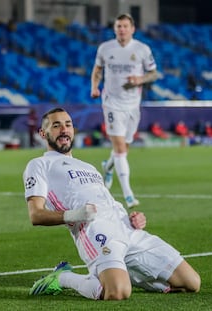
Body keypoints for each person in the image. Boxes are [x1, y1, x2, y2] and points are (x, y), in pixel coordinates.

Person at [24, 108, 201, 300]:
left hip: (127, 228)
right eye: (56, 126)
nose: (64, 130)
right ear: (43, 133)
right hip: (96, 231)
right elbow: (36, 215)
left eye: (68, 125)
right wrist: (75, 215)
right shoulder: (39, 164)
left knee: (191, 283)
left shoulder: (88, 167)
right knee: (117, 292)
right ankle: (62, 277)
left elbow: (108, 203)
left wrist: (133, 218)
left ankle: (122, 272)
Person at [90, 13, 158, 208]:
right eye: (118, 26)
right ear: (114, 29)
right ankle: (129, 195)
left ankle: (108, 167)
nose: (121, 29)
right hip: (112, 103)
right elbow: (97, 70)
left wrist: (140, 80)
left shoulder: (142, 49)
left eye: (125, 26)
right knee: (120, 149)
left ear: (132, 29)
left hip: (133, 104)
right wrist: (94, 87)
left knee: (124, 148)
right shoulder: (105, 48)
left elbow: (153, 73)